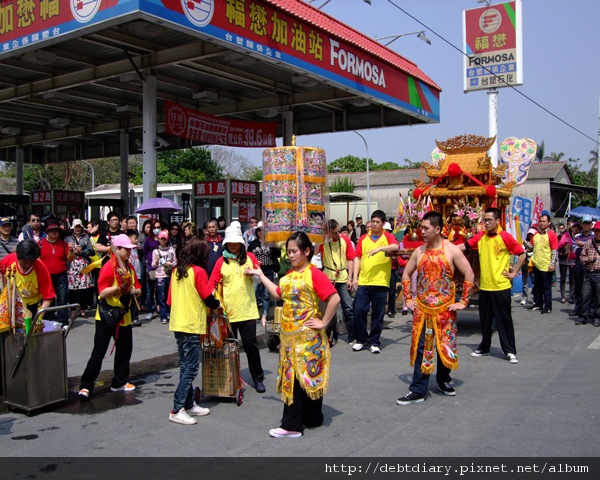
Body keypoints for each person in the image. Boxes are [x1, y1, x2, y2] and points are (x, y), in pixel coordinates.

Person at [245, 231, 340, 438]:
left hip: (308, 340)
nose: (291, 255)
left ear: (307, 251)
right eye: (288, 252)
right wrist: (260, 275)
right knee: (296, 379)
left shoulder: (314, 274)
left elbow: (334, 298)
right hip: (289, 339)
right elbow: (278, 293)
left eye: (295, 251)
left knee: (300, 379)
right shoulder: (288, 277)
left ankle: (291, 426)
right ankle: (312, 418)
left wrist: (323, 322)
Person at [397, 211, 474, 405]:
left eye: (425, 228)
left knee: (444, 346)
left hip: (445, 308)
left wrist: (463, 301)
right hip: (422, 309)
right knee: (422, 347)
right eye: (420, 227)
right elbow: (406, 274)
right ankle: (418, 389)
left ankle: (443, 380)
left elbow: (469, 274)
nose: (421, 231)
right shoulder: (419, 251)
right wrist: (408, 298)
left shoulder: (452, 250)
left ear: (437, 229)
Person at [78, 234, 142, 401]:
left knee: (124, 350)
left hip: (124, 314)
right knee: (99, 352)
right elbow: (102, 292)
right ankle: (86, 385)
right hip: (106, 315)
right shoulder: (108, 267)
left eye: (130, 250)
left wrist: (136, 290)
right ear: (117, 249)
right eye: (126, 249)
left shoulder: (129, 268)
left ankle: (119, 381)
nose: (129, 253)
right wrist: (118, 287)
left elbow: (138, 287)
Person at [460, 207, 526, 364]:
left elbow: (522, 254)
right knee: (485, 320)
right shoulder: (481, 237)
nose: (486, 223)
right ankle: (484, 347)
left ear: (497, 221)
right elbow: (464, 246)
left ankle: (509, 350)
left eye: (489, 220)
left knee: (504, 320)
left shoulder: (505, 237)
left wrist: (513, 273)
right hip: (485, 287)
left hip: (501, 286)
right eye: (484, 220)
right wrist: (444, 249)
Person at [167, 236, 220, 425]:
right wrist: (218, 303)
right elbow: (208, 298)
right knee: (190, 368)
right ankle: (177, 408)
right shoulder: (198, 271)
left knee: (185, 365)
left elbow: (170, 300)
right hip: (190, 324)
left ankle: (188, 403)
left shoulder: (176, 271)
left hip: (178, 322)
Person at [209, 222, 266, 393]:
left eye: (236, 242)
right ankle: (230, 378)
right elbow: (212, 284)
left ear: (241, 242)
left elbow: (260, 278)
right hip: (227, 312)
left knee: (251, 346)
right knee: (229, 348)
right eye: (230, 242)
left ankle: (258, 378)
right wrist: (214, 304)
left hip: (247, 310)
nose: (233, 245)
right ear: (226, 243)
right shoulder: (221, 261)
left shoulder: (250, 257)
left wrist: (253, 274)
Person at [351, 210, 399, 354]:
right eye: (373, 221)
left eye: (378, 222)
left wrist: (379, 248)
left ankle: (374, 341)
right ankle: (361, 338)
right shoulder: (364, 238)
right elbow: (357, 258)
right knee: (358, 310)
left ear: (383, 224)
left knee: (378, 314)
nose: (374, 224)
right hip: (364, 281)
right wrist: (355, 277)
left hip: (381, 281)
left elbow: (396, 247)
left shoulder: (388, 237)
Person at [319, 219, 355, 346]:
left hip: (343, 277)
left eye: (339, 231)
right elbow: (313, 251)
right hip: (328, 278)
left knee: (348, 306)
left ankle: (352, 336)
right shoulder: (323, 241)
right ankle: (332, 335)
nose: (338, 234)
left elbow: (351, 259)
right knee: (330, 308)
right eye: (334, 233)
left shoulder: (345, 240)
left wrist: (350, 277)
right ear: (328, 233)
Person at [0, 239, 55, 318]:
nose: (28, 265)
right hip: (10, 306)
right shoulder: (7, 261)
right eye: (25, 262)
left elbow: (48, 297)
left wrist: (38, 317)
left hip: (32, 307)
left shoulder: (41, 268)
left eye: (31, 262)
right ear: (18, 256)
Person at [39, 222, 75, 326]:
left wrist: (71, 251)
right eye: (52, 230)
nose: (54, 232)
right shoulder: (40, 243)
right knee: (48, 298)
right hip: (46, 276)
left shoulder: (63, 244)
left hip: (61, 275)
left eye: (57, 231)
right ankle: (48, 320)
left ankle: (63, 321)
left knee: (62, 298)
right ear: (47, 232)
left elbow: (70, 259)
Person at [248, 221, 281, 325]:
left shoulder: (271, 242)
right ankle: (253, 314)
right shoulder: (253, 244)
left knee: (266, 294)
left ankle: (264, 316)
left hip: (268, 270)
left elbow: (278, 254)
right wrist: (255, 262)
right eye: (258, 230)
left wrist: (274, 244)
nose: (260, 232)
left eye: (262, 230)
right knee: (254, 291)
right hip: (256, 271)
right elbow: (248, 255)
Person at [527, 214, 558, 314]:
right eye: (540, 221)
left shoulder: (551, 235)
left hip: (546, 265)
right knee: (537, 286)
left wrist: (552, 263)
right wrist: (522, 244)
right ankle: (538, 304)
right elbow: (531, 246)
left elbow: (554, 250)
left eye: (544, 221)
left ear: (549, 223)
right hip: (536, 264)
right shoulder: (536, 234)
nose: (542, 223)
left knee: (546, 287)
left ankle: (548, 306)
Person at [65, 219, 94, 317]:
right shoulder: (68, 239)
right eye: (76, 227)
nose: (77, 229)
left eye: (79, 227)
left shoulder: (86, 238)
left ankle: (82, 309)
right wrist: (72, 250)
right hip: (72, 266)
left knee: (84, 289)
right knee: (73, 289)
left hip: (83, 264)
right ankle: (73, 310)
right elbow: (65, 252)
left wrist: (80, 251)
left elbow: (91, 250)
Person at [574, 221, 600, 327]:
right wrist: (588, 259)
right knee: (585, 295)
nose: (598, 233)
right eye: (597, 231)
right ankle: (582, 317)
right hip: (589, 273)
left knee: (599, 297)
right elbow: (581, 257)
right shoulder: (589, 243)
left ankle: (597, 317)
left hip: (599, 274)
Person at [571, 216, 595, 317]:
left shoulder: (594, 236)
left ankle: (590, 310)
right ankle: (578, 308)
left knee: (591, 288)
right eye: (584, 223)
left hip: (591, 264)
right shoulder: (577, 236)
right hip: (579, 263)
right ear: (581, 224)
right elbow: (575, 250)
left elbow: (593, 251)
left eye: (588, 223)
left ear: (591, 225)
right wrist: (585, 246)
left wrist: (583, 245)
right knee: (578, 287)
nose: (586, 225)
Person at [152, 230, 177, 325]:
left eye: (164, 239)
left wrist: (171, 264)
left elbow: (175, 261)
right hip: (160, 275)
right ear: (158, 239)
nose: (163, 241)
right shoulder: (156, 251)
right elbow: (153, 265)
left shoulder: (171, 250)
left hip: (169, 274)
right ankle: (163, 315)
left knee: (169, 295)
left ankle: (170, 313)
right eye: (161, 239)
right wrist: (157, 262)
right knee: (161, 296)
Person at [142, 219, 162, 320]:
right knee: (149, 292)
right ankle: (150, 310)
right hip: (151, 267)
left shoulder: (163, 238)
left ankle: (163, 311)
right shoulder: (148, 239)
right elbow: (145, 251)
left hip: (162, 269)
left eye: (158, 227)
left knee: (161, 291)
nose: (156, 229)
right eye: (155, 228)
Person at [126, 229, 143, 327]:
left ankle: (135, 317)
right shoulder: (126, 250)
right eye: (135, 238)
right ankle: (131, 317)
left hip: (137, 274)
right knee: (130, 298)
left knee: (137, 295)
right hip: (130, 276)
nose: (136, 240)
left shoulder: (136, 248)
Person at [557, 222, 575, 304]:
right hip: (564, 258)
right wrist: (565, 242)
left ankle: (571, 296)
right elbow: (559, 245)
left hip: (572, 260)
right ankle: (563, 296)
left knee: (572, 279)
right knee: (563, 278)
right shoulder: (565, 235)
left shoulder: (577, 236)